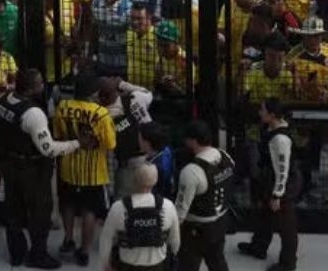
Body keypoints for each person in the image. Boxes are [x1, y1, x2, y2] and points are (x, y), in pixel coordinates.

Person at [0, 69, 92, 268]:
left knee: (13, 209)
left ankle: (16, 253)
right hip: (31, 168)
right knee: (40, 212)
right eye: (39, 83)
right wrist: (77, 144)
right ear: (31, 89)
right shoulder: (33, 114)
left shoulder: (2, 100)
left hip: (9, 164)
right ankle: (38, 255)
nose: (42, 85)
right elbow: (48, 149)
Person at [53, 72, 117, 266]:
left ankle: (68, 239)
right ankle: (84, 250)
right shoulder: (101, 113)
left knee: (68, 205)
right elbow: (110, 144)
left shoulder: (62, 108)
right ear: (94, 92)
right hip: (94, 173)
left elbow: (58, 135)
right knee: (90, 211)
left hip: (67, 168)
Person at [238, 98, 299, 271]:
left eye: (263, 110)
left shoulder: (280, 139)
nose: (259, 112)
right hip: (269, 180)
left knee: (286, 224)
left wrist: (277, 195)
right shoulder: (272, 129)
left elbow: (282, 170)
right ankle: (258, 247)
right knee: (265, 216)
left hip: (282, 184)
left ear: (272, 115)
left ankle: (288, 263)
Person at [99, 163, 182, 271]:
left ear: (133, 180)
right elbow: (175, 242)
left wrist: (105, 263)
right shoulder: (168, 206)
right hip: (157, 266)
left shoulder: (118, 207)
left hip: (126, 266)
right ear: (155, 181)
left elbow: (106, 240)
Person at [175, 120, 233, 271]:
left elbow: (181, 210)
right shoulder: (225, 156)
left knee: (187, 265)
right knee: (217, 261)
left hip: (196, 229)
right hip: (220, 222)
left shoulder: (191, 171)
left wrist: (171, 232)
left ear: (193, 141)